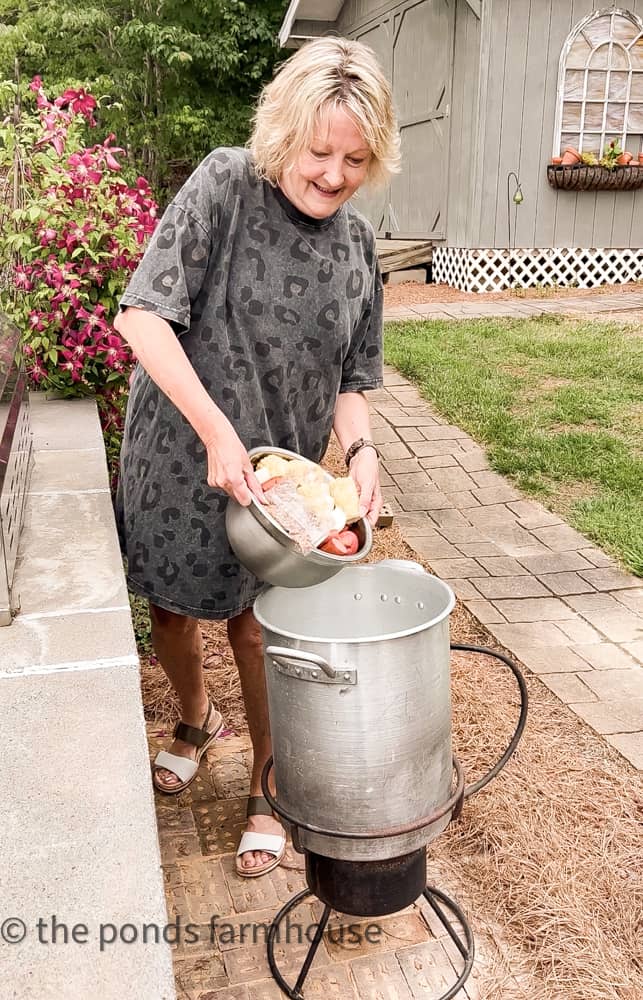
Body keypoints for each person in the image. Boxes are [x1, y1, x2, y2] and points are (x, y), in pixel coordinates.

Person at [114, 36, 400, 877]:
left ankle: (268, 788)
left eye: (354, 158)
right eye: (318, 152)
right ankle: (196, 719)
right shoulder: (225, 184)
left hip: (284, 484)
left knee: (260, 628)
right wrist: (214, 432)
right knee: (172, 609)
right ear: (284, 133)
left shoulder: (357, 247)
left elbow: (353, 375)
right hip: (181, 448)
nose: (333, 174)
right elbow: (141, 318)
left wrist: (359, 450)